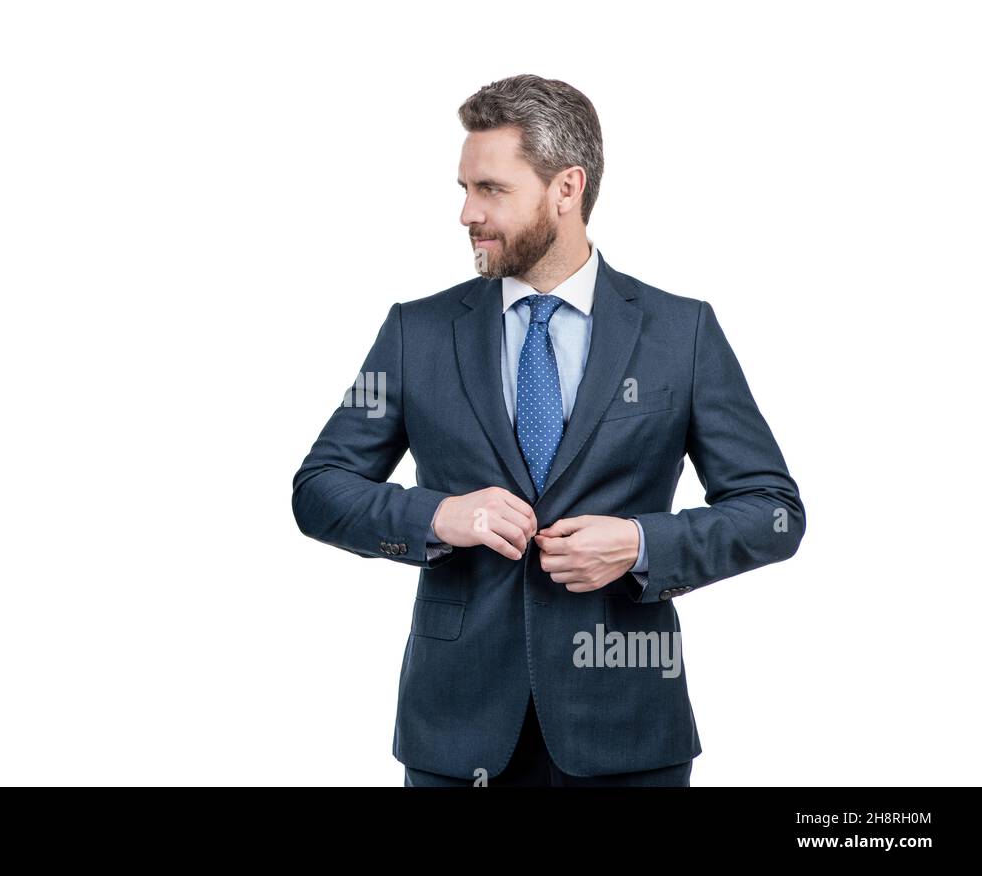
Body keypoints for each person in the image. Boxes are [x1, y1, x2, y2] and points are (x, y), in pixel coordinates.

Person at [291, 75, 805, 787]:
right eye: (464, 188)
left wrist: (641, 544)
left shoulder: (680, 335)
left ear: (567, 189)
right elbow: (319, 489)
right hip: (457, 733)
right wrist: (439, 514)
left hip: (628, 734)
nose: (467, 212)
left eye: (491, 189)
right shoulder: (417, 332)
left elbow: (773, 513)